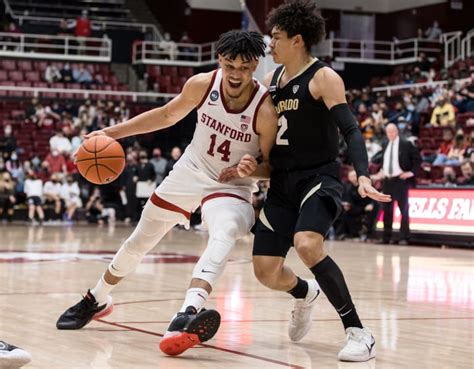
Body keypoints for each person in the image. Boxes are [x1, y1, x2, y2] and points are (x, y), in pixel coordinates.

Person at [56, 30, 277, 357]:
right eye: (230, 65)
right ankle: (97, 298)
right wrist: (109, 133)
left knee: (225, 233)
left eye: (244, 68)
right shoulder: (203, 85)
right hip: (191, 170)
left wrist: (253, 170)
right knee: (141, 239)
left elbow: (273, 166)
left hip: (230, 183)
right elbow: (165, 115)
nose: (235, 74)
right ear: (220, 60)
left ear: (255, 65)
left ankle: (187, 313)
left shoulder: (265, 109)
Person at [221, 1, 390, 362]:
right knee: (266, 272)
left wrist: (362, 174)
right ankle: (304, 293)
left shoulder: (323, 78)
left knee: (308, 244)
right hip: (281, 184)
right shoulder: (269, 83)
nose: (271, 45)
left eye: (277, 38)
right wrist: (252, 162)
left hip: (318, 177)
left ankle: (359, 332)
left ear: (297, 40)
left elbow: (350, 130)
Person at [375, 123, 421, 244]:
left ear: (397, 131)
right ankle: (386, 237)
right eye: (388, 132)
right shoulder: (385, 144)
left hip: (400, 180)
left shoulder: (406, 144)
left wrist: (411, 172)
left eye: (392, 132)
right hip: (387, 181)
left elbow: (417, 159)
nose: (390, 134)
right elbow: (384, 160)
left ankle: (404, 237)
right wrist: (382, 170)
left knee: (403, 210)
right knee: (387, 210)